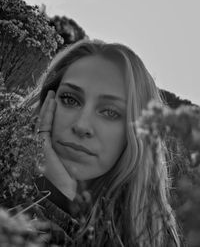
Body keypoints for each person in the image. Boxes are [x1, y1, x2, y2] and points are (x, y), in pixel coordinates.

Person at [33, 39, 181, 246]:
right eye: (70, 99)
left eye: (110, 112)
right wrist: (53, 196)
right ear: (48, 102)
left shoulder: (155, 236)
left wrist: (63, 200)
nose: (82, 126)